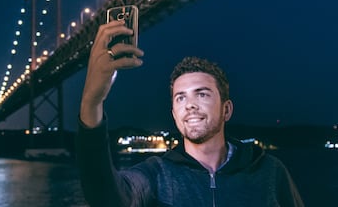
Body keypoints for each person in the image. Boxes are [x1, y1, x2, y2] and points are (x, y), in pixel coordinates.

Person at [76, 19, 304, 207]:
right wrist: (91, 102)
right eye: (181, 97)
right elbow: (106, 199)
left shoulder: (270, 172)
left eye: (202, 94)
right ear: (174, 114)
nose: (190, 105)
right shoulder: (156, 175)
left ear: (226, 109)